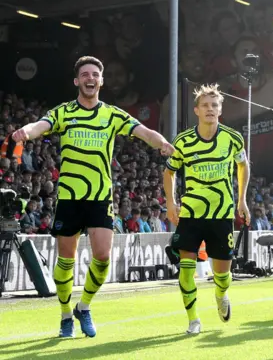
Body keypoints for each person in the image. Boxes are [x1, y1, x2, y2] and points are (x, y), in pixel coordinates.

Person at [12, 56, 174, 339]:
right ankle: (65, 315)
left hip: (100, 197)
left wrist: (160, 142)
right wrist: (26, 131)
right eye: (84, 74)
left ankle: (83, 307)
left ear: (101, 81)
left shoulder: (112, 114)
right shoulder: (64, 112)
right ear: (77, 81)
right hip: (70, 198)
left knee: (102, 256)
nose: (90, 78)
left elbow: (143, 132)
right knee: (66, 261)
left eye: (95, 74)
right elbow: (41, 125)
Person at [163, 83, 250, 335]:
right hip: (190, 214)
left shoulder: (233, 138)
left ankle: (221, 295)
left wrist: (242, 200)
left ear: (220, 109)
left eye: (214, 105)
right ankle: (193, 320)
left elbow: (243, 166)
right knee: (186, 271)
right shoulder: (183, 141)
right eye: (205, 105)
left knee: (222, 275)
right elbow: (169, 172)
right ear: (196, 111)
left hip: (222, 214)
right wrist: (171, 202)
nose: (210, 109)